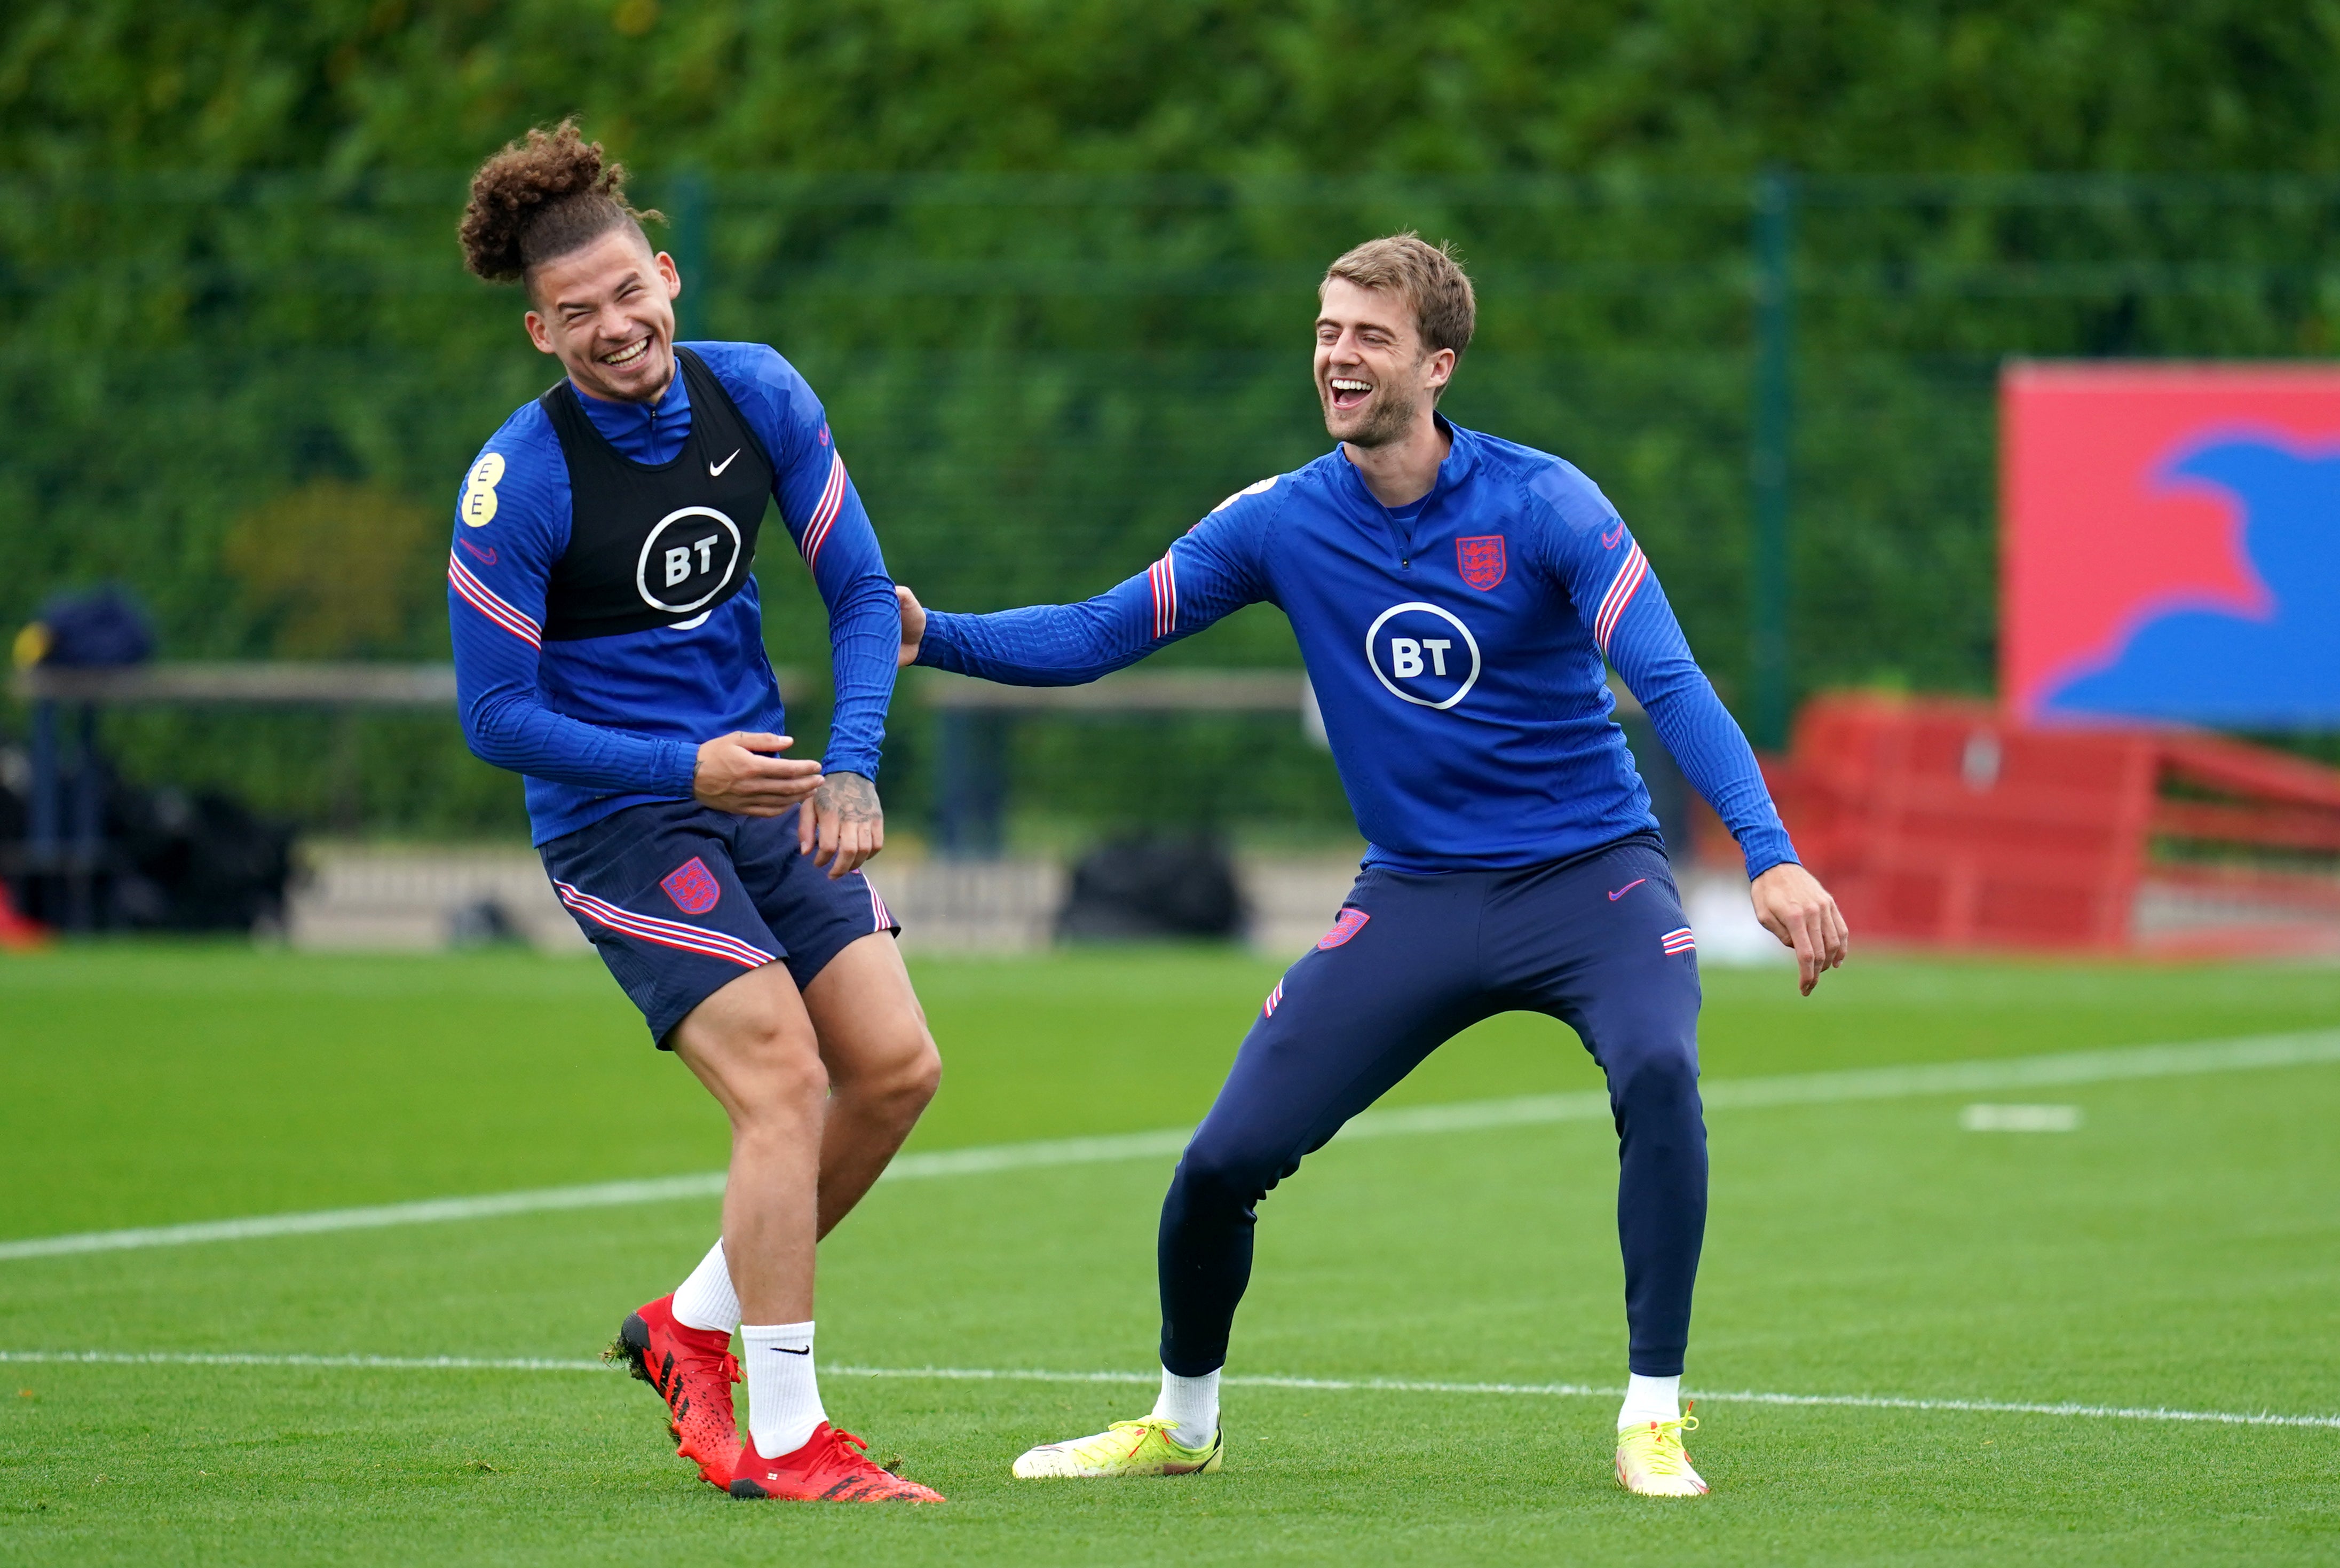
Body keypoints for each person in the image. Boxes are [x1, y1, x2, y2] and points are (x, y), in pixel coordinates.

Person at [898, 233, 1848, 1496]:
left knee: (1660, 1067)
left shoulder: (1548, 503)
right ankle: (1181, 1421)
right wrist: (928, 633)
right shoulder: (1280, 520)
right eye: (1325, 330)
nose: (1337, 356)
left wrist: (1770, 856)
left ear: (1436, 365)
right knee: (1219, 1163)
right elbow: (1093, 632)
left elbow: (1666, 679)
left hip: (1590, 880)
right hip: (1413, 892)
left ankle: (1653, 1413)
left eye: (1369, 337)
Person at [449, 122, 943, 1505]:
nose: (616, 329)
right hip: (624, 819)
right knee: (785, 1081)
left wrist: (850, 763)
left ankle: (687, 1328)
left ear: (668, 277)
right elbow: (493, 717)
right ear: (540, 332)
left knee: (896, 1070)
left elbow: (858, 592)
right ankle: (787, 1439)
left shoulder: (760, 394)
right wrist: (684, 771)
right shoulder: (519, 483)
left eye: (630, 294)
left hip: (766, 787)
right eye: (578, 315)